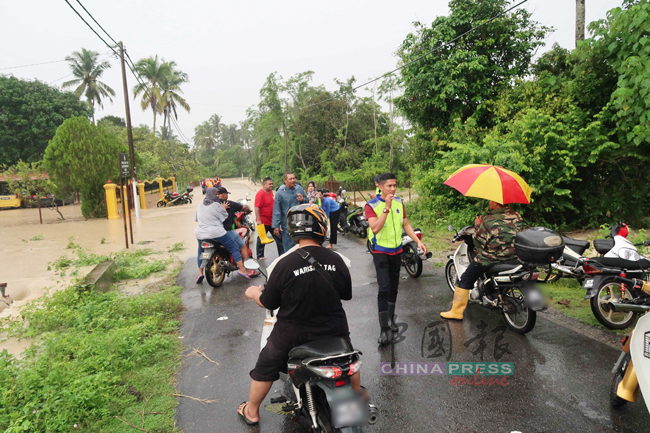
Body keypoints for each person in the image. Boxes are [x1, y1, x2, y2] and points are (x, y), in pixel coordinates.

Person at [238, 204, 361, 426]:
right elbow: (346, 294)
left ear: (293, 231)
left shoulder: (284, 264)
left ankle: (252, 410)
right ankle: (357, 394)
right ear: (321, 227)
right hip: (334, 329)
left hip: (292, 333)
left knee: (266, 365)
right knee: (348, 357)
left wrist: (254, 292)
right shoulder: (337, 260)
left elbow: (269, 302)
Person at [366, 172, 427, 345]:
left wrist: (417, 242)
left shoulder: (399, 202)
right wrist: (386, 207)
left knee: (394, 287)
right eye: (389, 186)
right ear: (380, 186)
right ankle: (383, 328)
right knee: (383, 289)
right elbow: (375, 228)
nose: (393, 189)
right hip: (380, 252)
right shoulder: (371, 205)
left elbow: (405, 224)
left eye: (394, 185)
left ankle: (391, 320)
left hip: (396, 251)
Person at [441, 200, 523, 320]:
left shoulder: (489, 219)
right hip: (513, 257)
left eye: (490, 200)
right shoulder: (516, 215)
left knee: (466, 278)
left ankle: (456, 312)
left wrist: (478, 225)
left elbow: (478, 242)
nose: (489, 202)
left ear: (496, 203)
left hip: (491, 258)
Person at [194, 187, 258, 283]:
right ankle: (242, 270)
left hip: (200, 233)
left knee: (200, 252)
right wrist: (223, 208)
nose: (217, 196)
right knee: (234, 247)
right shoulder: (216, 205)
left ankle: (200, 274)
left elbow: (197, 219)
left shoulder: (200, 205)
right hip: (216, 233)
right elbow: (224, 217)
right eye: (216, 194)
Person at [216, 187, 259, 279]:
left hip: (212, 232)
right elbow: (244, 207)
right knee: (242, 246)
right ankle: (247, 269)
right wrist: (247, 211)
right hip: (226, 231)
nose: (227, 195)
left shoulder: (212, 204)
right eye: (226, 194)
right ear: (224, 194)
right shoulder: (228, 203)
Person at [272, 171, 307, 253]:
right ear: (285, 180)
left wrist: (303, 199)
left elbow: (307, 203)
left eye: (294, 178)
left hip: (300, 223)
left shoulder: (299, 189)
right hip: (286, 224)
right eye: (290, 179)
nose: (293, 180)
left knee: (300, 246)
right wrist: (276, 226)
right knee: (288, 248)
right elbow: (277, 210)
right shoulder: (280, 192)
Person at [254, 177, 283, 259]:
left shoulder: (270, 192)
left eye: (272, 184)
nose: (271, 185)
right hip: (263, 220)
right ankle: (260, 255)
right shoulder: (260, 194)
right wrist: (258, 220)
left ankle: (282, 254)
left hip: (272, 220)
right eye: (269, 184)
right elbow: (257, 207)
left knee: (278, 237)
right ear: (264, 184)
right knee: (262, 238)